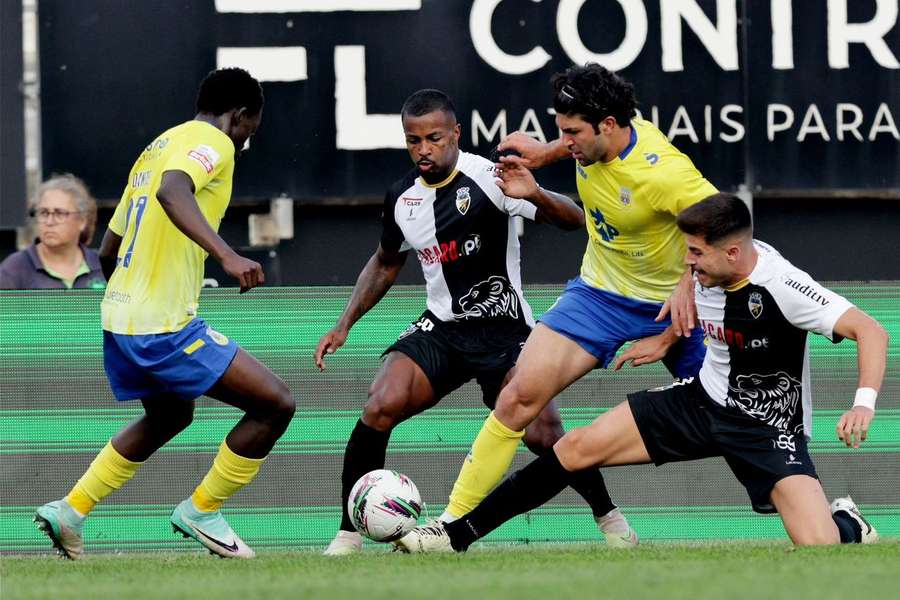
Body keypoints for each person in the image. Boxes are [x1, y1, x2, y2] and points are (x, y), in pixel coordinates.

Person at [395, 193, 887, 552]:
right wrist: (667, 337)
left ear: (732, 253)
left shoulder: (783, 287)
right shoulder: (707, 271)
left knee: (818, 544)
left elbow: (871, 330)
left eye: (694, 253)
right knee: (575, 447)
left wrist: (862, 402)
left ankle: (847, 520)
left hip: (767, 427)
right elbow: (699, 297)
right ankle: (457, 537)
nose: (686, 263)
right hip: (699, 403)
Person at [316, 89, 636, 555]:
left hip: (505, 332)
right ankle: (348, 532)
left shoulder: (490, 177)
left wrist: (537, 193)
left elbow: (574, 219)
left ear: (456, 134)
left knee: (544, 433)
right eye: (413, 141)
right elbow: (386, 261)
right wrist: (344, 324)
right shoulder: (402, 197)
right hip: (443, 329)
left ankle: (611, 520)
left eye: (434, 138)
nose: (424, 149)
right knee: (380, 404)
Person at [437, 63, 717, 524]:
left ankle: (826, 517)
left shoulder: (663, 172)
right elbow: (572, 143)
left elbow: (727, 219)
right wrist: (546, 155)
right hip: (600, 295)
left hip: (672, 307)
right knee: (517, 397)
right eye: (559, 130)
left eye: (572, 132)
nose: (566, 141)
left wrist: (688, 283)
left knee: (739, 421)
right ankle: (449, 526)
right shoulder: (596, 138)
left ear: (608, 125)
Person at [33, 68, 295, 560]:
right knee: (276, 403)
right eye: (249, 134)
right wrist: (227, 256)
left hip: (120, 320)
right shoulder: (211, 141)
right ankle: (202, 511)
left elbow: (109, 250)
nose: (244, 144)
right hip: (162, 326)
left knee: (170, 414)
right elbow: (173, 191)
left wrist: (135, 293)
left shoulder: (157, 146)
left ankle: (70, 510)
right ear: (238, 117)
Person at [0, 174, 105, 290]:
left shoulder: (103, 265)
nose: (49, 222)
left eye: (60, 213)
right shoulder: (14, 269)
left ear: (82, 221)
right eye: (44, 213)